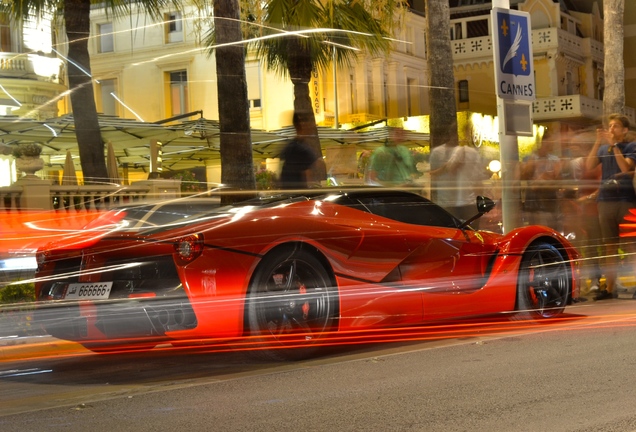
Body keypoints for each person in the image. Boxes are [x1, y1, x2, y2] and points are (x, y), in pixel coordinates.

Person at [585, 114, 636, 300]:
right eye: (610, 126)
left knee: (632, 246)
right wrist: (598, 141)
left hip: (626, 200)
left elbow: (625, 168)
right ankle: (609, 288)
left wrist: (614, 146)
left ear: (624, 130)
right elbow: (589, 164)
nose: (612, 129)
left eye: (616, 126)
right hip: (605, 201)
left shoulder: (631, 147)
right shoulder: (604, 148)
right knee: (610, 247)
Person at [430, 138, 484, 225]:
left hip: (462, 203)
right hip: (451, 203)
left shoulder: (472, 153)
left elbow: (477, 181)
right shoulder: (438, 152)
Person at [519, 129, 562, 230]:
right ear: (543, 141)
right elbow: (523, 177)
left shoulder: (554, 160)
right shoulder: (529, 158)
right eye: (550, 141)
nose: (552, 145)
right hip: (533, 203)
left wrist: (546, 178)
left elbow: (559, 181)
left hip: (549, 202)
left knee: (548, 230)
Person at [279, 111, 324, 190]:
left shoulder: (289, 147)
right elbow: (309, 178)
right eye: (311, 122)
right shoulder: (303, 149)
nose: (313, 126)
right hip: (300, 196)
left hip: (289, 195)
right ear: (303, 125)